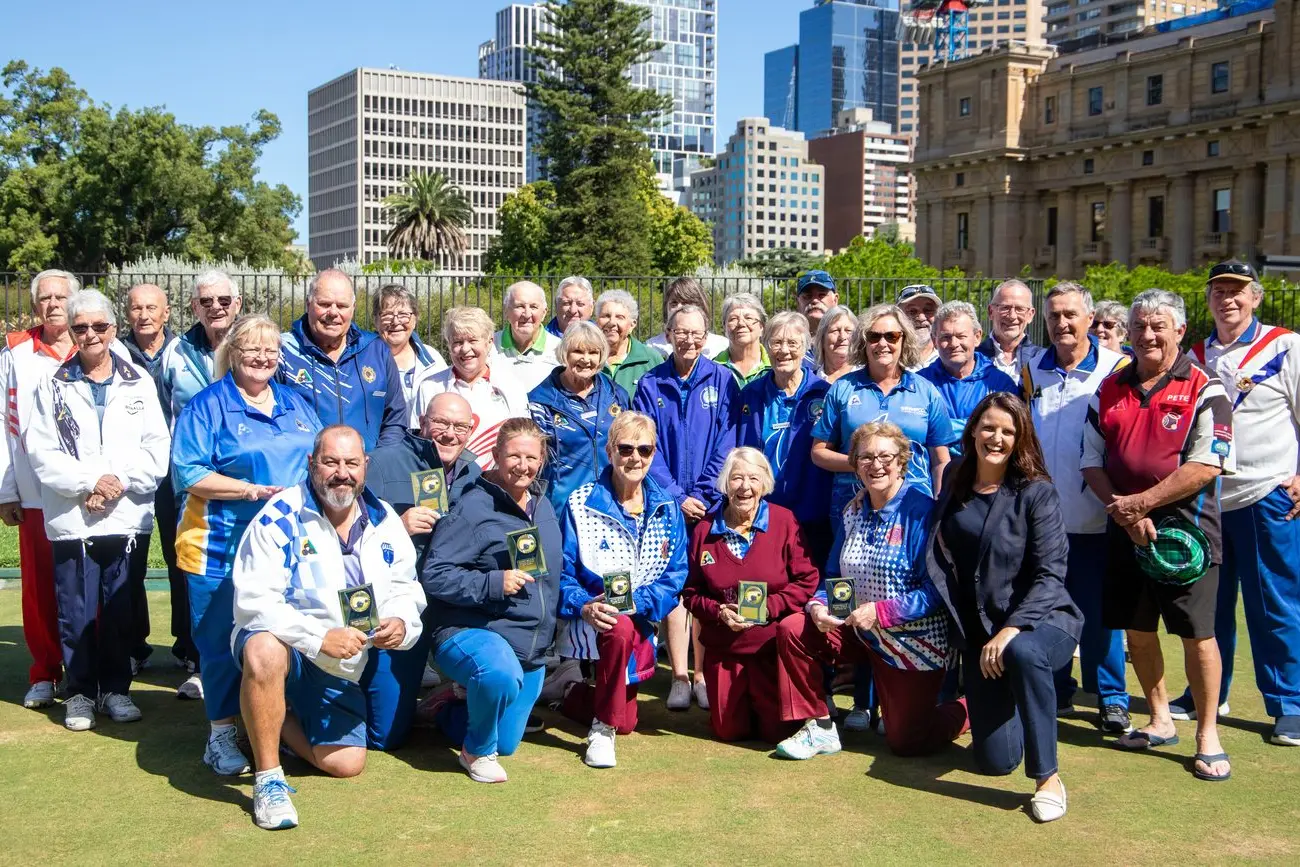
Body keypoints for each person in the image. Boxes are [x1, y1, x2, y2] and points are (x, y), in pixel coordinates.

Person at [233, 425, 425, 830]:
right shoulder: (278, 517)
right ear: (311, 463)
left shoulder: (385, 518)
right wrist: (318, 638)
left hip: (349, 659)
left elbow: (406, 586)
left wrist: (401, 621)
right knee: (263, 650)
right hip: (293, 649)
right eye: (331, 462)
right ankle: (269, 780)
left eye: (352, 463)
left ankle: (269, 717)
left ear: (365, 466)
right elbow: (254, 602)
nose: (342, 472)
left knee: (347, 762)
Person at [1081, 289, 1235, 782]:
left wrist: (1144, 504)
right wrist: (1126, 514)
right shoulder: (1108, 387)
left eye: (1158, 326)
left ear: (1179, 331)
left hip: (1186, 535)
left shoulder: (1207, 389)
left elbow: (1208, 464)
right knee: (1138, 630)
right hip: (1125, 528)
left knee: (1198, 636)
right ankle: (1160, 718)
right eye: (1141, 326)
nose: (1148, 335)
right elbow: (1091, 461)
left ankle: (1207, 734)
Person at [172, 314, 324, 777]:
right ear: (232, 353)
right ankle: (220, 734)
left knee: (278, 638)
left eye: (270, 349)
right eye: (252, 349)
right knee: (218, 643)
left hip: (285, 550)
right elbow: (189, 473)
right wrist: (250, 492)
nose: (262, 358)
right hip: (218, 545)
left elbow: (316, 460)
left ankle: (274, 722)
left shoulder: (297, 403)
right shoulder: (206, 406)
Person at [927, 393, 1081, 822]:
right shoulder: (956, 474)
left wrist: (1012, 628)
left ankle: (1048, 777)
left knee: (1023, 653)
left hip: (1043, 622)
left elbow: (1052, 575)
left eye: (1008, 431)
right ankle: (1014, 698)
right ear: (974, 428)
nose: (997, 438)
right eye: (990, 427)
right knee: (994, 762)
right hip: (982, 634)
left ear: (1021, 438)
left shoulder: (1037, 492)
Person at [775, 423, 967, 760]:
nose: (875, 465)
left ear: (901, 462)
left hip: (913, 640)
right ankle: (820, 728)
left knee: (907, 742)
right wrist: (820, 606)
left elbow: (935, 591)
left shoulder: (922, 513)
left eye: (884, 457)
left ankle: (974, 708)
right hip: (857, 629)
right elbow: (835, 576)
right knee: (793, 629)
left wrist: (879, 612)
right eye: (865, 457)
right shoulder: (853, 510)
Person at [26, 289, 171, 731]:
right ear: (70, 331)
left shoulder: (138, 381)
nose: (91, 335)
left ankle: (117, 690)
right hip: (74, 518)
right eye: (81, 327)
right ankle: (81, 694)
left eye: (100, 326)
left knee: (120, 607)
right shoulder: (50, 385)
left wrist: (116, 484)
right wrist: (90, 483)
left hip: (125, 517)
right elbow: (42, 453)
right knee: (76, 609)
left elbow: (156, 448)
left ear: (112, 329)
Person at [812, 304, 953, 731]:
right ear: (863, 341)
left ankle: (899, 696)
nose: (883, 344)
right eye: (874, 336)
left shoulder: (925, 391)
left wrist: (939, 506)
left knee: (896, 596)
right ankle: (860, 700)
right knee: (853, 593)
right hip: (853, 509)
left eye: (891, 336)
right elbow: (819, 452)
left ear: (904, 341)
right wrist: (865, 468)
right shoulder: (843, 388)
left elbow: (941, 456)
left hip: (911, 516)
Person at [1178, 260, 1300, 746]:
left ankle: (1288, 703)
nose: (1227, 299)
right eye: (1219, 291)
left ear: (1256, 297)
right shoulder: (1196, 353)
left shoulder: (1285, 344)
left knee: (1275, 602)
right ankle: (1210, 692)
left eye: (1237, 291)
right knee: (1208, 605)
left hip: (1267, 491)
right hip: (1207, 497)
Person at [420, 418, 563, 783]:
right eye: (513, 455)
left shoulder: (544, 504)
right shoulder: (473, 506)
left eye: (531, 457)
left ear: (542, 459)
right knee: (498, 675)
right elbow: (434, 574)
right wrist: (493, 582)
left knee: (509, 743)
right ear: (496, 455)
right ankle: (476, 754)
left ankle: (448, 705)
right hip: (468, 628)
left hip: (527, 642)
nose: (523, 465)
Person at [1022, 283, 1131, 733]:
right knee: (1048, 607)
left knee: (1100, 610)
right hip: (1043, 518)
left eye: (1070, 315)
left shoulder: (1117, 368)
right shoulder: (1032, 366)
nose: (1061, 324)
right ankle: (1059, 690)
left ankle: (1111, 697)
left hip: (1095, 515)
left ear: (1090, 318)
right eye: (1053, 317)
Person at [554, 411, 688, 767]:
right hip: (592, 618)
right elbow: (562, 573)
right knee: (618, 625)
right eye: (626, 448)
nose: (635, 458)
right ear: (610, 450)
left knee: (628, 723)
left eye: (644, 450)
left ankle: (569, 692)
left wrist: (636, 602)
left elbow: (675, 576)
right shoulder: (580, 502)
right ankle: (600, 729)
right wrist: (585, 605)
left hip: (642, 620)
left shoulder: (667, 507)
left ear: (653, 454)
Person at [633, 303, 739, 710]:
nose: (689, 340)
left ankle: (701, 674)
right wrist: (677, 496)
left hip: (710, 504)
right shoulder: (650, 383)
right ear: (668, 334)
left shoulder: (724, 380)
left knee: (707, 587)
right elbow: (647, 445)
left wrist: (706, 494)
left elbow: (726, 441)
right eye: (681, 332)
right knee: (673, 587)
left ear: (706, 335)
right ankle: (678, 674)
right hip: (666, 504)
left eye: (697, 333)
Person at [363, 392, 483, 748]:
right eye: (441, 423)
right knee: (384, 736)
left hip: (445, 601)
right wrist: (395, 525)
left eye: (459, 426)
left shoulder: (473, 472)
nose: (449, 433)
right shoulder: (383, 463)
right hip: (393, 603)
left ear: (471, 429)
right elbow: (344, 531)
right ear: (423, 421)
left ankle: (446, 695)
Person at [684, 448, 820, 744]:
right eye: (736, 478)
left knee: (776, 732)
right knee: (729, 731)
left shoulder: (785, 522)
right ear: (725, 483)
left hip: (769, 648)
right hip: (724, 647)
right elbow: (691, 593)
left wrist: (770, 607)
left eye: (753, 479)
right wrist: (718, 611)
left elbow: (807, 579)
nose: (745, 487)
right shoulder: (704, 531)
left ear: (764, 484)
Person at [0, 269, 79, 711]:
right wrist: (6, 489)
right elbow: (3, 424)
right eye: (44, 298)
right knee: (40, 588)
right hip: (33, 491)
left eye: (60, 296)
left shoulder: (97, 344)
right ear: (35, 307)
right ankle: (45, 672)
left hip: (89, 494)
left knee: (88, 586)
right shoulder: (15, 354)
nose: (53, 304)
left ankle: (89, 671)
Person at [121, 282, 191, 693]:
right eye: (136, 308)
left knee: (181, 558)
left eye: (152, 307)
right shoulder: (115, 352)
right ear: (127, 314)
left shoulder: (182, 352)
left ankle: (187, 646)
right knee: (129, 564)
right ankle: (134, 646)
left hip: (175, 472)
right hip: (130, 473)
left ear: (166, 313)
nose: (144, 314)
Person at [737, 312, 834, 565]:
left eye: (792, 343)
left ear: (805, 347)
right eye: (776, 343)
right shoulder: (751, 394)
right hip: (763, 512)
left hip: (813, 512)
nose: (784, 350)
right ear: (766, 346)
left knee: (809, 584)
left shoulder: (824, 394)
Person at [278, 269, 406, 450]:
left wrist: (378, 464)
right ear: (308, 304)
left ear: (353, 308)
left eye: (342, 306)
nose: (333, 312)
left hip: (368, 473)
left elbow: (395, 419)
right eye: (324, 304)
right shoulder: (284, 351)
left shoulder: (376, 349)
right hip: (303, 473)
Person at [528, 320, 631, 517]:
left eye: (593, 352)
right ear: (565, 353)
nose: (585, 359)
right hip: (561, 508)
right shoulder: (540, 402)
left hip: (611, 503)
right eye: (578, 351)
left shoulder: (617, 396)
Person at [411, 306, 529, 470]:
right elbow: (416, 443)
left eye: (473, 341)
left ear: (489, 343)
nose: (465, 349)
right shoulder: (430, 387)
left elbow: (523, 441)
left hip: (493, 485)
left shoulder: (511, 387)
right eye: (457, 342)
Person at [918, 301, 1017, 454]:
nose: (954, 344)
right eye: (946, 337)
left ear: (977, 337)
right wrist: (977, 427)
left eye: (961, 336)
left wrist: (939, 429)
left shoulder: (1000, 384)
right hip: (936, 474)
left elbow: (1010, 433)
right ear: (934, 340)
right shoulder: (919, 384)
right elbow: (915, 430)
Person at [159, 269, 242, 423]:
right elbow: (162, 412)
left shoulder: (255, 347)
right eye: (206, 301)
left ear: (237, 304)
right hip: (189, 443)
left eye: (224, 300)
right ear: (195, 307)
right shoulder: (176, 350)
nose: (216, 307)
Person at [372, 283, 447, 408]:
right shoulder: (364, 360)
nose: (396, 321)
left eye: (403, 314)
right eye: (387, 314)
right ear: (375, 320)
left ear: (416, 318)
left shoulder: (433, 359)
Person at [493, 280, 563, 394]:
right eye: (519, 306)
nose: (527, 314)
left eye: (533, 307)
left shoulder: (560, 349)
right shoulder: (490, 345)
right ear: (506, 311)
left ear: (544, 313)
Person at [976, 279, 1043, 384]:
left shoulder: (1041, 359)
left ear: (1030, 315)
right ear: (990, 312)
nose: (1012, 316)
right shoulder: (974, 357)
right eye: (1005, 308)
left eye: (1020, 309)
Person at [595, 289, 660, 396]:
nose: (611, 322)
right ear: (597, 321)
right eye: (606, 316)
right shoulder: (586, 356)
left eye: (619, 317)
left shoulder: (650, 360)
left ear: (632, 325)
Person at [646, 277, 728, 360]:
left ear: (701, 306)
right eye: (674, 303)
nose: (679, 308)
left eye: (686, 303)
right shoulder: (652, 347)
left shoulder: (721, 347)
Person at [714, 293, 770, 387]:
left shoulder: (775, 367)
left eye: (748, 318)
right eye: (733, 319)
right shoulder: (713, 368)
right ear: (724, 327)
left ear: (762, 326)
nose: (741, 323)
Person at [898, 284, 942, 370]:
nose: (921, 318)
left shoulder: (948, 354)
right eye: (912, 311)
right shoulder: (891, 357)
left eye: (928, 310)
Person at [813, 305, 857, 383]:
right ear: (822, 338)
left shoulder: (868, 378)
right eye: (835, 330)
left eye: (848, 330)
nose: (842, 337)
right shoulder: (811, 381)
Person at [796, 270, 840, 336]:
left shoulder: (848, 339)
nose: (814, 300)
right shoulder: (787, 338)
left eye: (822, 295)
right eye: (808, 296)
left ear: (835, 300)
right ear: (798, 303)